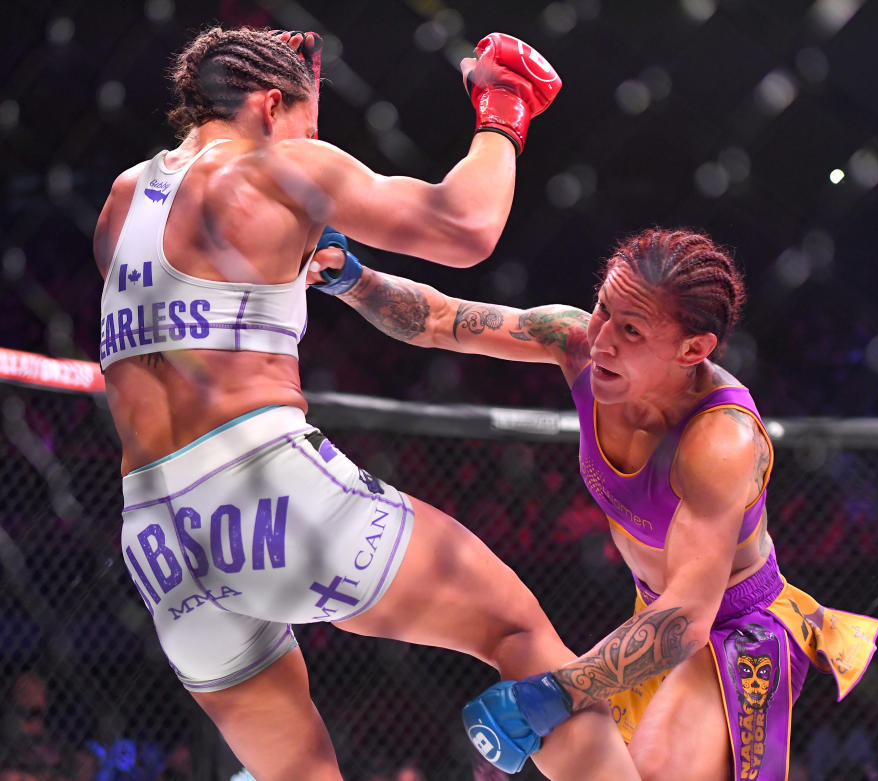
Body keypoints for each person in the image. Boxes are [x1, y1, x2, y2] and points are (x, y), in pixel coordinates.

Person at [93, 25, 640, 781]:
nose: (316, 140)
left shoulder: (121, 202)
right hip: (263, 487)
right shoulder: (275, 164)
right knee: (516, 631)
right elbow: (466, 225)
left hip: (156, 540)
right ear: (271, 103)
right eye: (309, 122)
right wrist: (503, 111)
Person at [310, 227, 878, 779]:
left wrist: (554, 692)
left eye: (632, 330)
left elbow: (687, 617)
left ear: (694, 348)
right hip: (652, 611)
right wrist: (353, 279)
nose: (603, 337)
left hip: (734, 625)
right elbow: (440, 320)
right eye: (603, 307)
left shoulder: (721, 441)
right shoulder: (578, 340)